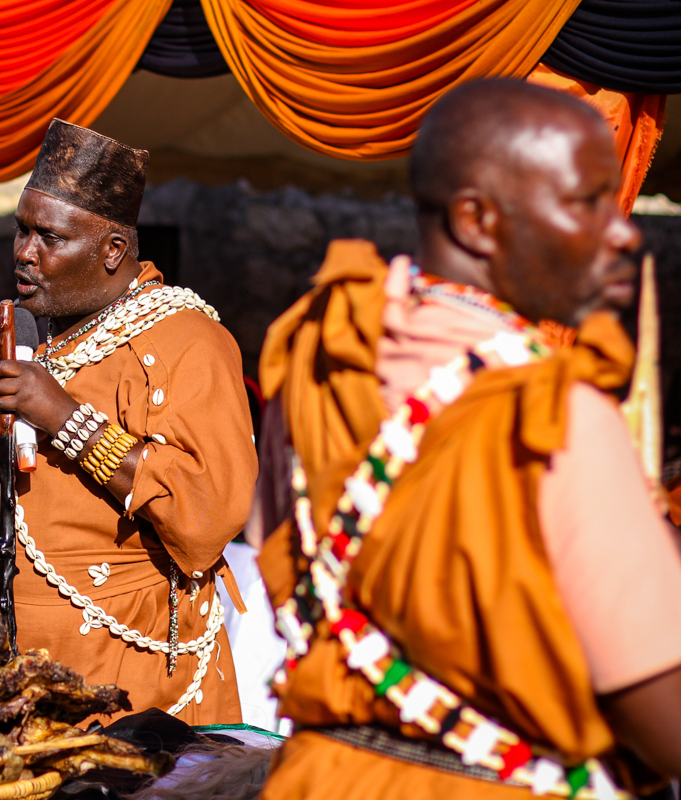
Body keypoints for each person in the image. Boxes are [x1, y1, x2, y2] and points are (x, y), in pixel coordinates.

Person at [253, 78, 681, 799]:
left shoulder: (316, 360)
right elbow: (657, 710)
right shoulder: (551, 410)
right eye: (587, 203)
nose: (624, 231)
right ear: (478, 220)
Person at [0, 119, 257, 724]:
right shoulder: (12, 329)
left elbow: (207, 510)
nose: (25, 253)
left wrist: (62, 417)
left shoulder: (189, 343)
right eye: (20, 231)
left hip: (114, 676)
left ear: (112, 250)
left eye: (49, 237)